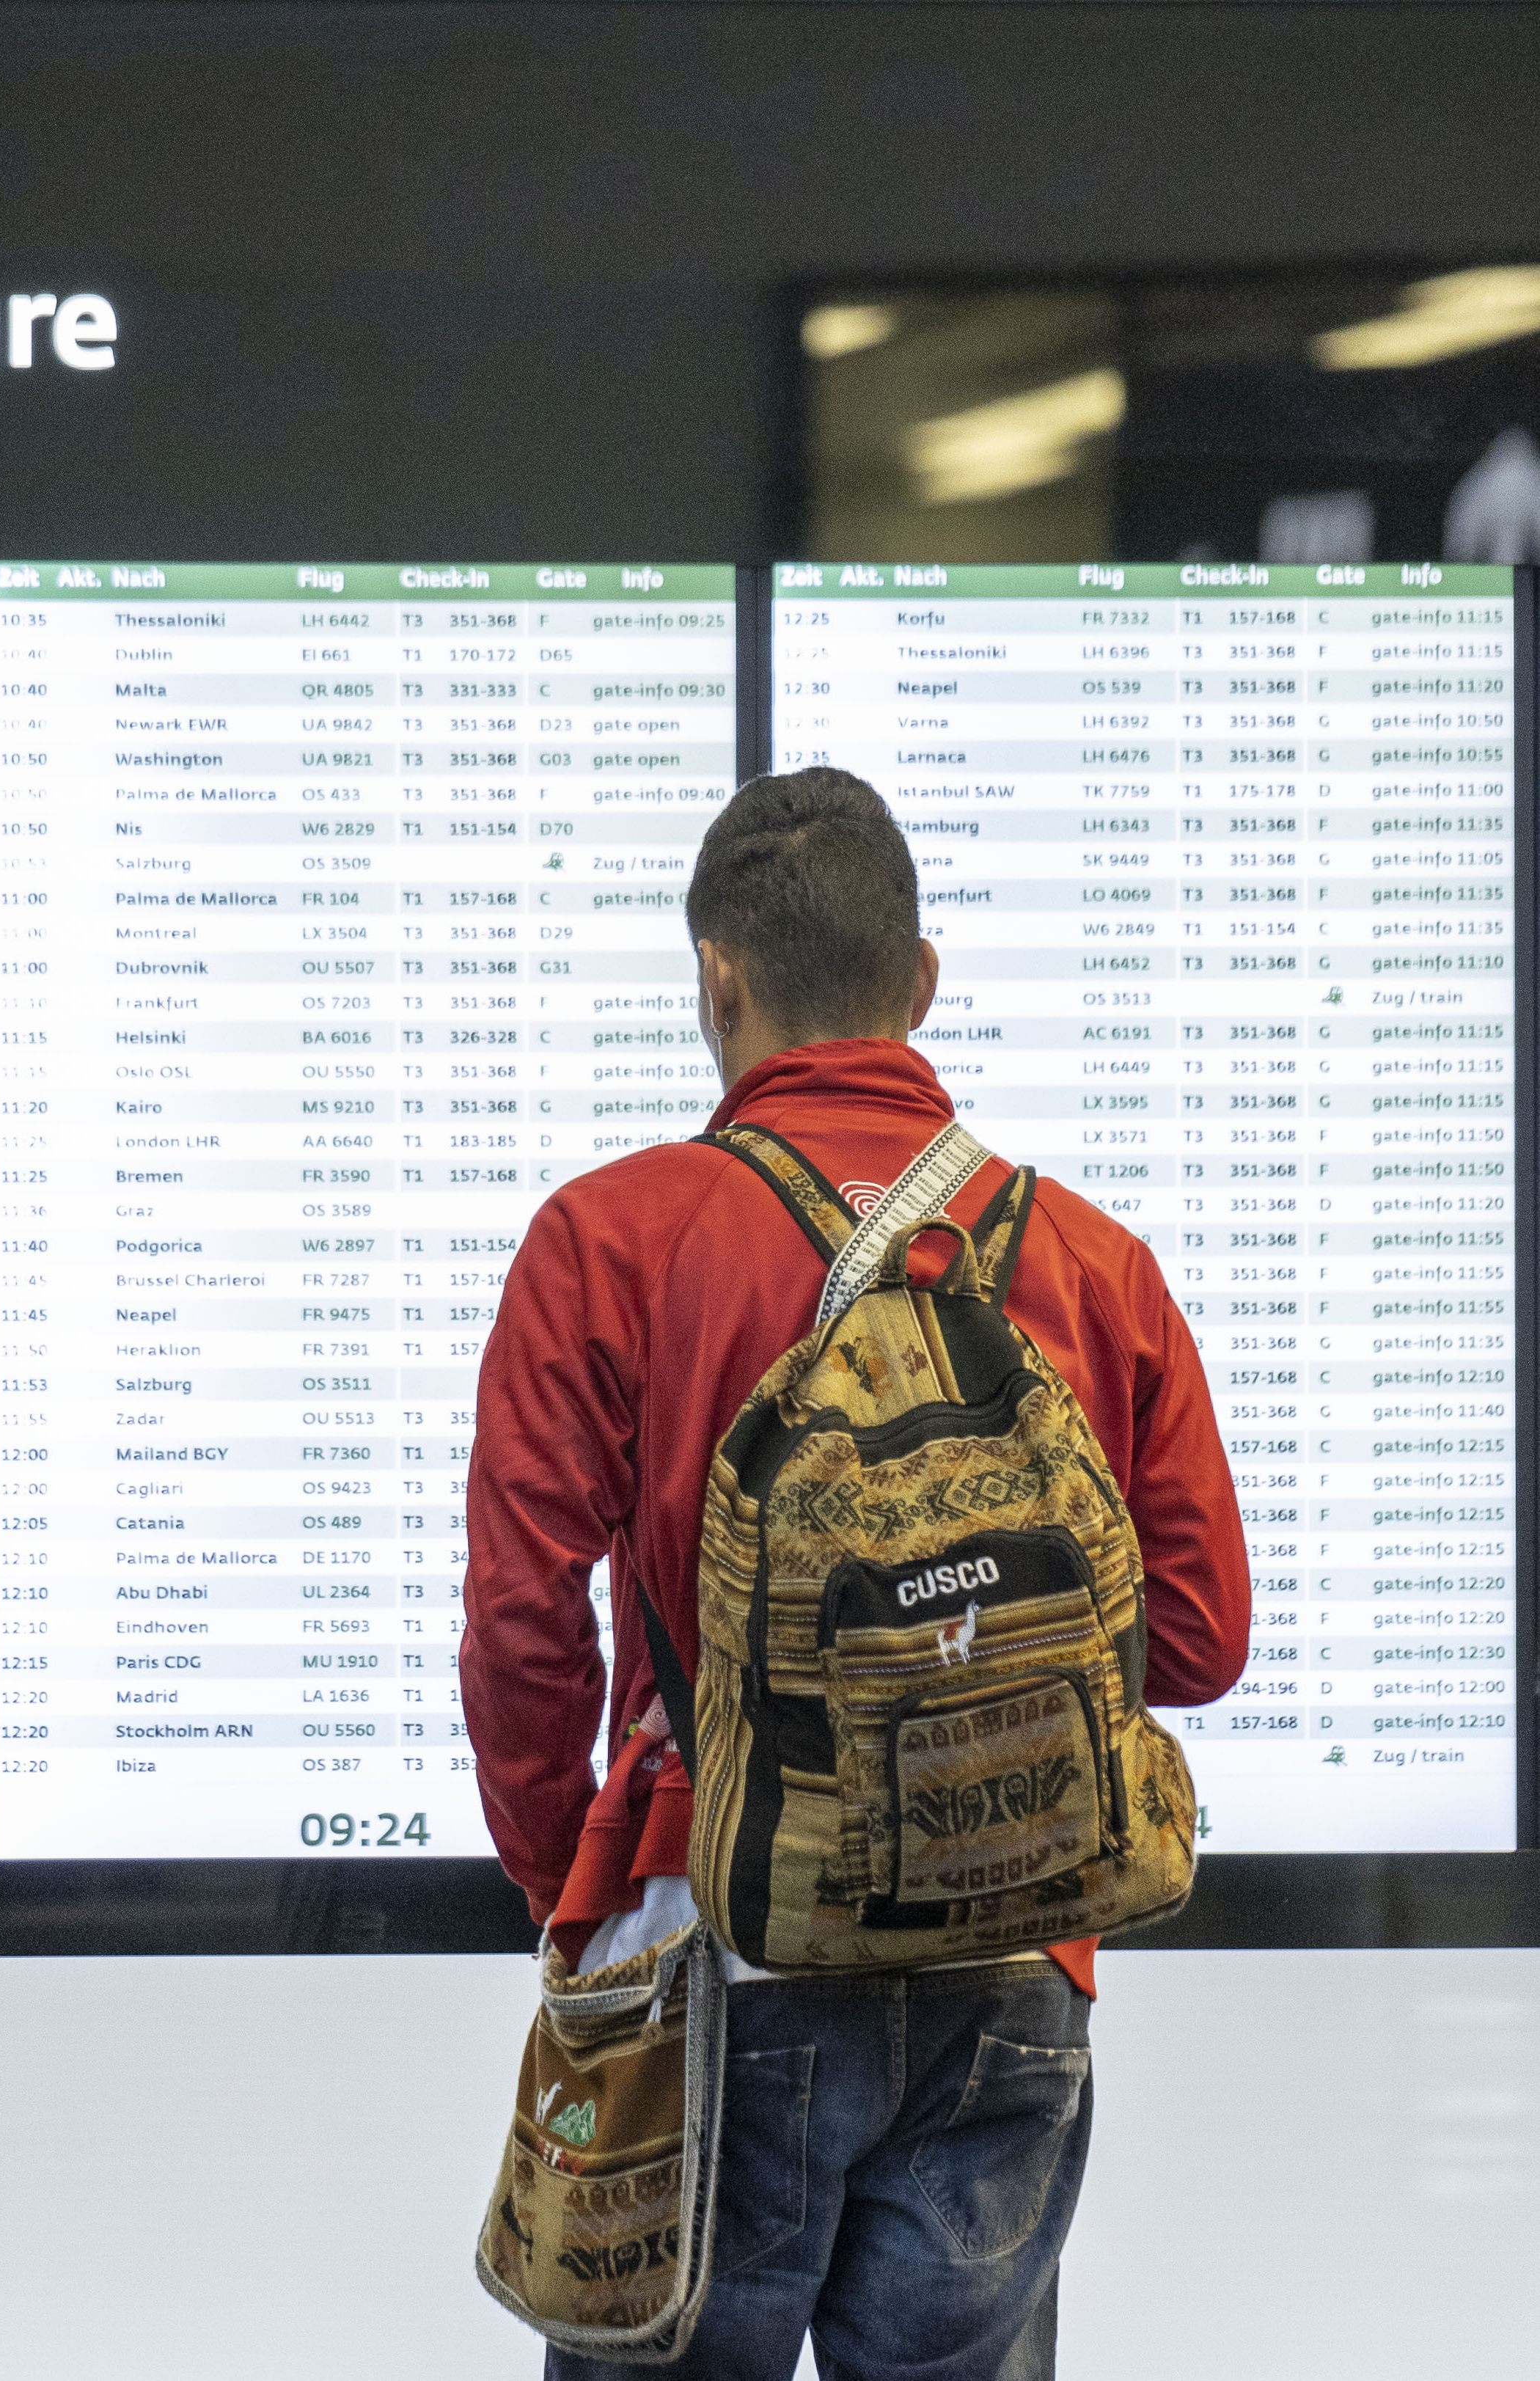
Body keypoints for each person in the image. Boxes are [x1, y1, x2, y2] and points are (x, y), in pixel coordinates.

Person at [461, 768, 1251, 2381]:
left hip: (711, 1951)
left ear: (717, 980)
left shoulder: (606, 1243)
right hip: (1017, 1961)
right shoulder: (1092, 1263)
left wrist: (573, 1890)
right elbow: (1197, 1636)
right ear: (925, 983)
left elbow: (521, 1625)